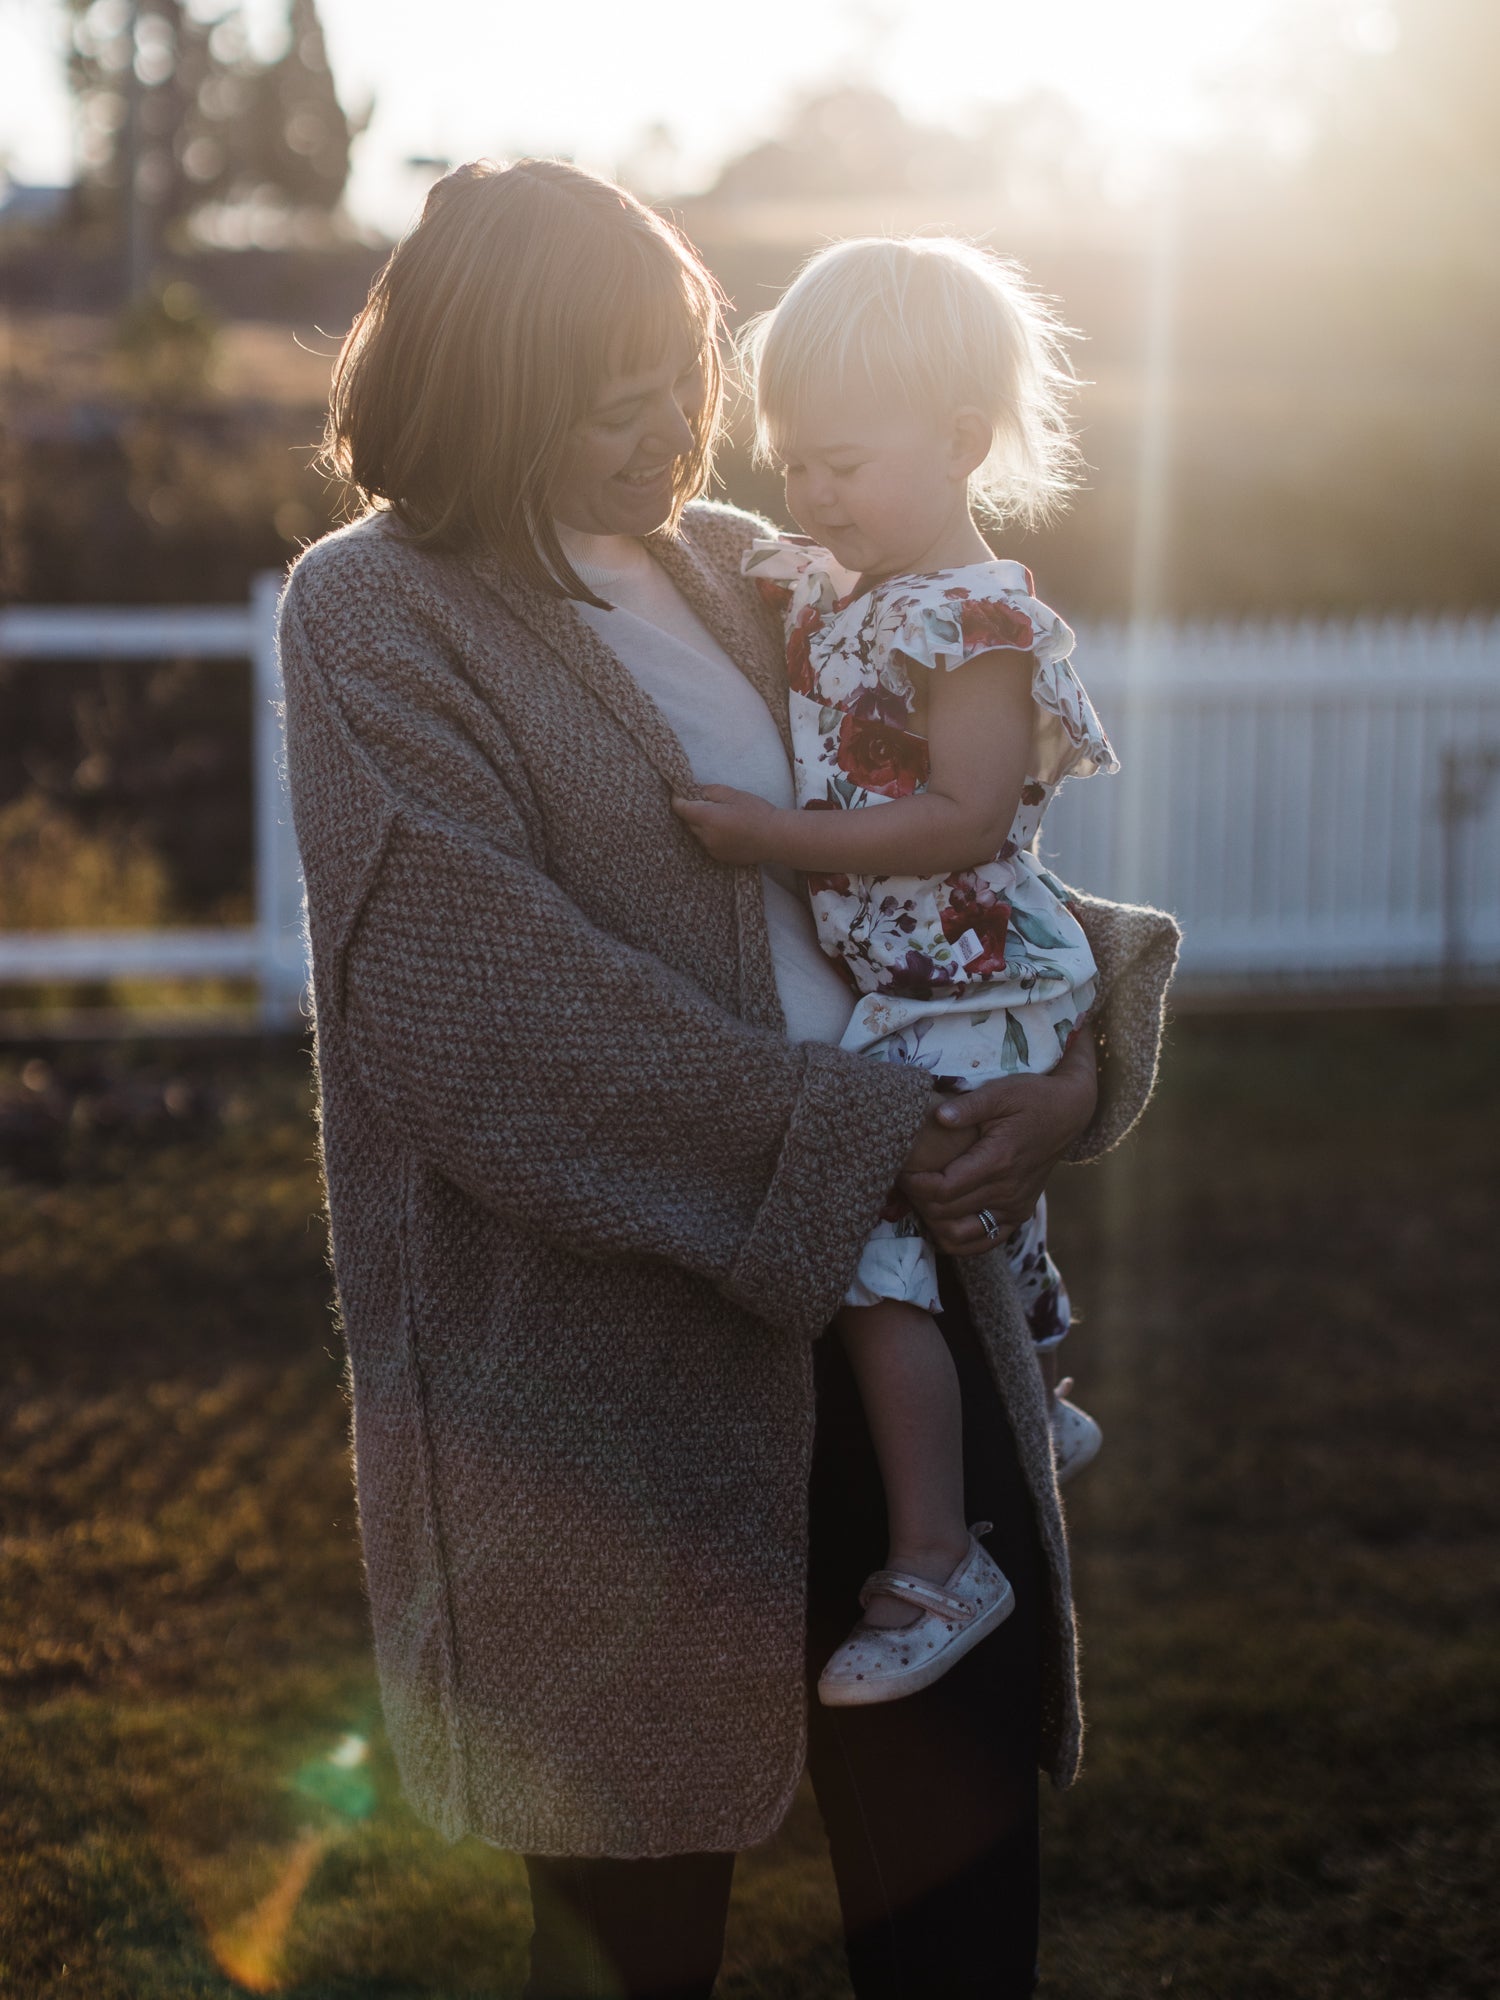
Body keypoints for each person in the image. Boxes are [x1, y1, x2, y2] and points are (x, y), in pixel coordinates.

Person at [277, 157, 1179, 1999]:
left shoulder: (759, 575)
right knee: (630, 1949)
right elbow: (482, 1014)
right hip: (617, 1395)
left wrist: (1077, 1065)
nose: (675, 437)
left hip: (914, 1304)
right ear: (492, 388)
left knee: (956, 1933)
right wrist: (870, 1139)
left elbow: (941, 854)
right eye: (614, 408)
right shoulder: (380, 616)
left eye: (683, 384)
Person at [674, 237, 1115, 1709]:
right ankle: (1035, 1402)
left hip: (973, 969)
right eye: (792, 463)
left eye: (842, 464)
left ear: (962, 445)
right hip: (921, 978)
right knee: (948, 1221)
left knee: (882, 1263)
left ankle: (940, 1560)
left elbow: (968, 816)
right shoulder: (845, 580)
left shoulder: (973, 622)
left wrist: (773, 839)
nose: (809, 497)